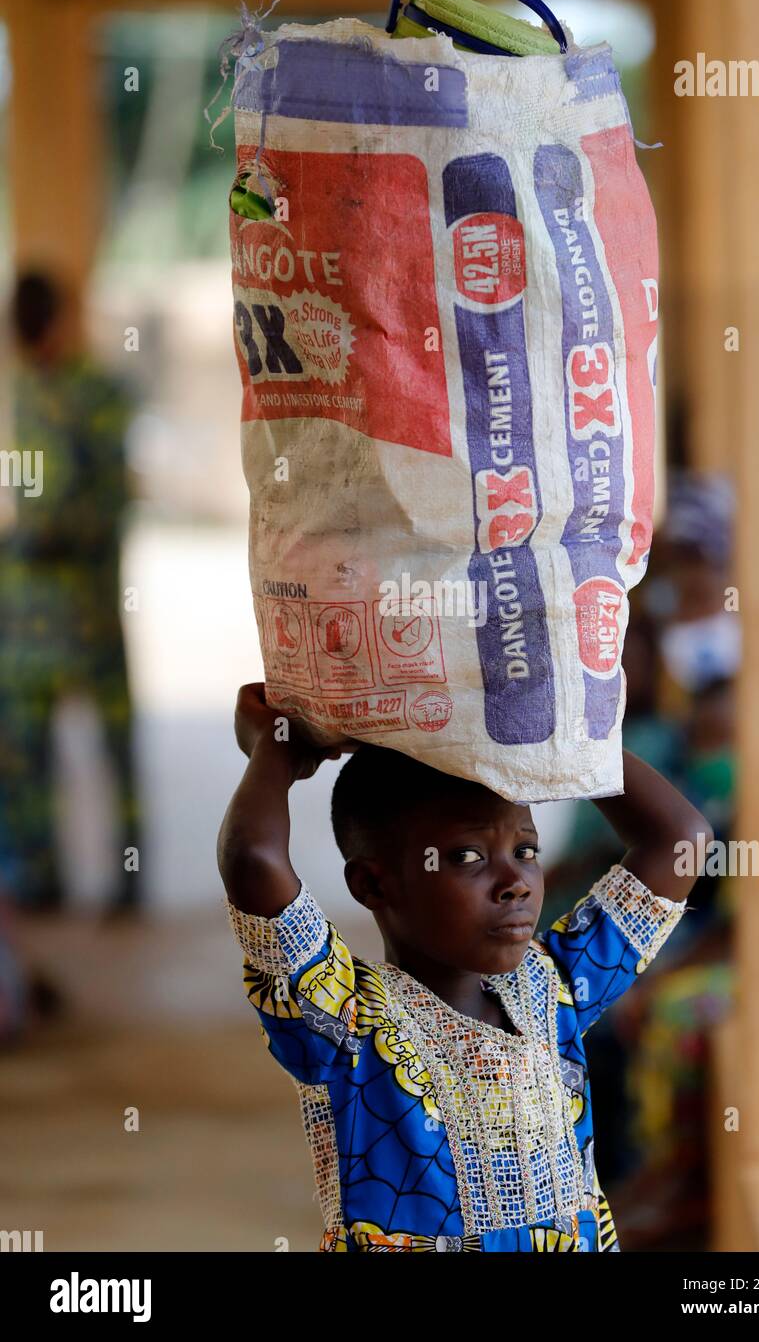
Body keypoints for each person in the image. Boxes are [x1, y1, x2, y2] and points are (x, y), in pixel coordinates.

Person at [217, 682, 712, 1253]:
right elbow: (254, 859)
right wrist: (273, 749)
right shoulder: (344, 1018)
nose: (515, 884)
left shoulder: (552, 989)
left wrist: (566, 730)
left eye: (525, 851)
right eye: (467, 858)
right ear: (374, 883)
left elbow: (682, 839)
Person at [0, 271, 141, 911]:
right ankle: (41, 878)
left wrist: (51, 534)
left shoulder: (101, 394)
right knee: (25, 754)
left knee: (114, 747)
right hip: (26, 615)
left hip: (87, 611)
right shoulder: (23, 390)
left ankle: (128, 880)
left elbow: (113, 499)